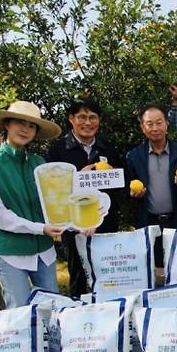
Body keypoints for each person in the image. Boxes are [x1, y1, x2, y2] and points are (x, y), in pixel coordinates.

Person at [0, 101, 64, 308]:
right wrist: (40, 228)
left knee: (52, 309)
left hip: (43, 250)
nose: (25, 129)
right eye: (19, 122)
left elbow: (55, 203)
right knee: (20, 313)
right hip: (9, 250)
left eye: (32, 125)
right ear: (7, 124)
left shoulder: (39, 164)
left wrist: (77, 221)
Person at [45, 98, 122, 297]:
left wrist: (111, 176)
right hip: (74, 224)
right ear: (71, 119)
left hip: (105, 223)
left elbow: (119, 187)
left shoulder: (108, 150)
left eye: (93, 117)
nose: (88, 123)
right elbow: (53, 189)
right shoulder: (58, 151)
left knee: (108, 272)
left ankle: (109, 312)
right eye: (82, 117)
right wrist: (80, 176)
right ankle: (78, 315)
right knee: (78, 274)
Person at [125, 104, 177, 267]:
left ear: (167, 124)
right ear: (142, 127)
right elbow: (127, 186)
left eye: (159, 122)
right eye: (149, 124)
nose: (155, 128)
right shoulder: (134, 157)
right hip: (149, 223)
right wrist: (134, 193)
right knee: (153, 268)